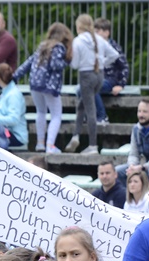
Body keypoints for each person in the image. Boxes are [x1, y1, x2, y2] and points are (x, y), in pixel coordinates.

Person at [12, 22, 73, 154]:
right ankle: (50, 145)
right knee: (56, 115)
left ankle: (40, 143)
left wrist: (16, 75)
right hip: (49, 85)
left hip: (35, 83)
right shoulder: (59, 47)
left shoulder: (42, 46)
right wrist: (67, 61)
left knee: (41, 112)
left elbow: (29, 62)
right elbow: (56, 65)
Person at [64, 14, 119, 155]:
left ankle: (93, 145)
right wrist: (101, 63)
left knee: (90, 110)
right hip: (99, 75)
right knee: (82, 105)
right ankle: (75, 136)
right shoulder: (99, 39)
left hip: (86, 76)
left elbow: (75, 65)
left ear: (78, 26)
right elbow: (114, 55)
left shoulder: (78, 41)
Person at [92, 18, 129, 124]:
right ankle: (88, 116)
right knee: (80, 89)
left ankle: (102, 116)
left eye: (98, 32)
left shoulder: (113, 47)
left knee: (91, 87)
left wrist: (121, 85)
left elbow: (124, 66)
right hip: (96, 78)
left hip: (109, 79)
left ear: (107, 33)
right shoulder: (94, 47)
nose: (95, 35)